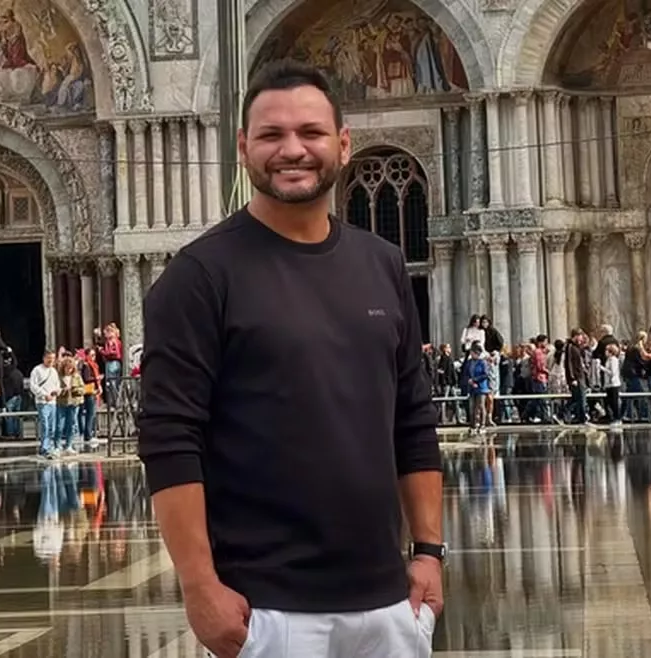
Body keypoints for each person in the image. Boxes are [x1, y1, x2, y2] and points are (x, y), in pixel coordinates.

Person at [137, 60, 443, 658]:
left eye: (311, 132)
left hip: (389, 605)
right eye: (272, 135)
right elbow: (170, 439)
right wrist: (199, 586)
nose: (293, 150)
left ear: (343, 144)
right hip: (268, 611)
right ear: (243, 148)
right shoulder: (198, 276)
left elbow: (413, 419)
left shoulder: (382, 263)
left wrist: (429, 551)